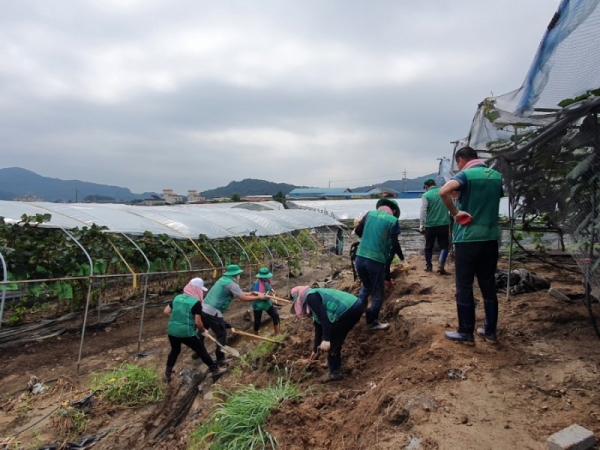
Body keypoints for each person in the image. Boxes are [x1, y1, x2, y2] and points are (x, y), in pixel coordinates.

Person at [439, 146, 503, 345]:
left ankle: (466, 332)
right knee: (488, 284)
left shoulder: (466, 174)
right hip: (491, 237)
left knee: (464, 284)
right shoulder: (496, 176)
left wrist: (455, 213)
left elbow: (444, 191)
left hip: (468, 238)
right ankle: (490, 331)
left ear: (461, 160)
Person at [354, 198, 406, 331]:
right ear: (393, 211)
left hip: (360, 257)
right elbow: (395, 243)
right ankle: (372, 322)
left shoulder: (369, 214)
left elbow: (358, 231)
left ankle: (354, 314)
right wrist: (402, 258)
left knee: (366, 287)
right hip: (375, 260)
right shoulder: (393, 221)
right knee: (378, 292)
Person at [290, 285, 363, 381]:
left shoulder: (311, 297)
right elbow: (319, 327)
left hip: (349, 308)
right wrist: (315, 350)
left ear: (299, 300)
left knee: (333, 340)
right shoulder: (312, 298)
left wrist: (326, 339)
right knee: (334, 336)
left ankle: (335, 372)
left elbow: (325, 320)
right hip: (353, 306)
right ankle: (332, 362)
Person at [163, 277, 227, 382]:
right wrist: (203, 331)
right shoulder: (195, 302)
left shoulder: (177, 298)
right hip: (186, 332)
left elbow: (166, 311)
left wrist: (177, 319)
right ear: (197, 289)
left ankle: (167, 374)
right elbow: (197, 322)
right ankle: (214, 370)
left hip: (172, 331)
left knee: (175, 350)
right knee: (201, 350)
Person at [201, 264, 265, 365]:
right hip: (213, 311)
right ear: (236, 274)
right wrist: (259, 298)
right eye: (238, 274)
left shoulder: (222, 280)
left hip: (203, 308)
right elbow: (242, 298)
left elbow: (239, 293)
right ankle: (220, 359)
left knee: (202, 330)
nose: (239, 276)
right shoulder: (231, 284)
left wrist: (251, 293)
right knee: (221, 334)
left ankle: (198, 351)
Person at [419, 178, 450, 274]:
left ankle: (429, 266)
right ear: (435, 184)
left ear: (426, 187)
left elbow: (423, 210)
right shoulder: (444, 192)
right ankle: (441, 266)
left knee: (429, 246)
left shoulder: (426, 195)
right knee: (444, 246)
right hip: (444, 223)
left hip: (430, 225)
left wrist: (421, 224)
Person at [251, 267, 280, 335]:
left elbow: (269, 287)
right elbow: (255, 295)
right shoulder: (256, 284)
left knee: (275, 315)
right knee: (257, 321)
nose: (267, 278)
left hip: (267, 302)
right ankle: (256, 336)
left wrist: (272, 290)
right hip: (258, 304)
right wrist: (262, 296)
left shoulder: (267, 281)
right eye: (265, 277)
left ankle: (276, 332)